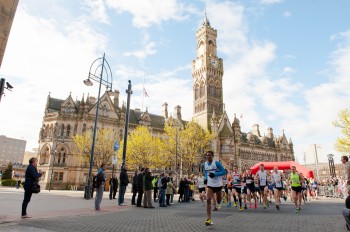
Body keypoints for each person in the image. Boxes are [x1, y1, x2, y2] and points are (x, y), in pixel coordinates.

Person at [203, 150, 226, 226]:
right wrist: (206, 178)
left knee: (219, 200)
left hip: (218, 185)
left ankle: (219, 202)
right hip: (210, 185)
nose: (208, 156)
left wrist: (215, 174)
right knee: (208, 200)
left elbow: (223, 172)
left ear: (212, 156)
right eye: (207, 155)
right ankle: (209, 219)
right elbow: (205, 173)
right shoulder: (204, 164)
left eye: (210, 155)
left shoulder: (216, 163)